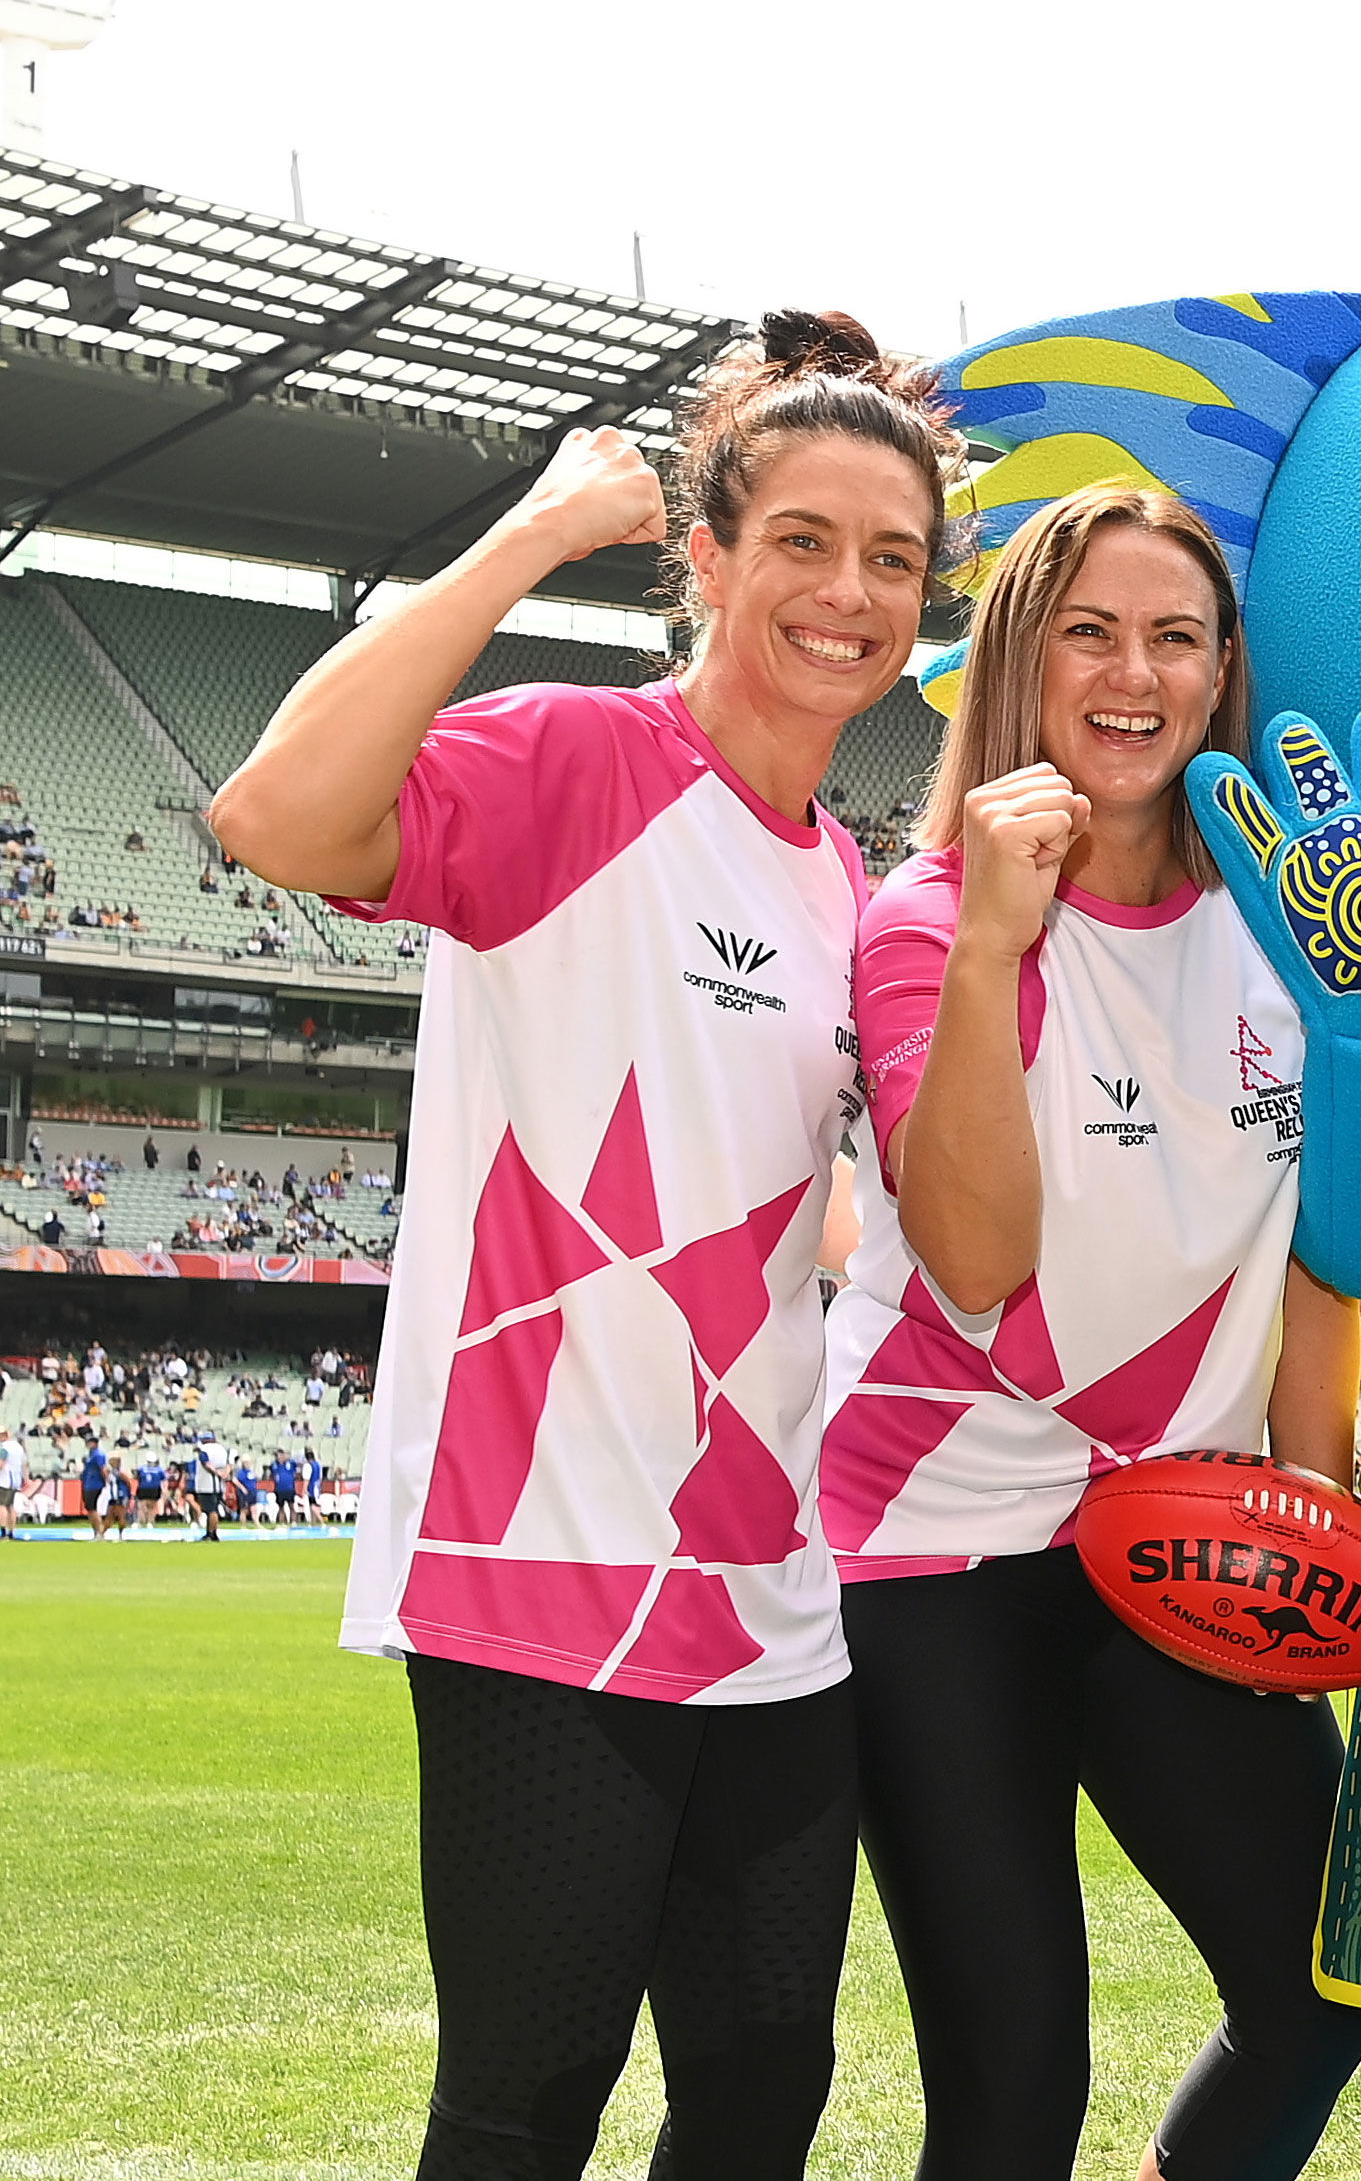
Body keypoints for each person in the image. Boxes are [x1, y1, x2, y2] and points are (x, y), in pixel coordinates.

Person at [209, 308, 955, 2180]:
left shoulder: (839, 874)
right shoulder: (568, 760)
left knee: (766, 2080)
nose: (847, 594)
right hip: (540, 1553)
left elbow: (800, 1199)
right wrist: (534, 532)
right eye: (800, 541)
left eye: (890, 558)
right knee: (528, 2099)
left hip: (764, 1576)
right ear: (703, 560)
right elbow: (276, 813)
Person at [815, 480, 1361, 2177]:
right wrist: (995, 942)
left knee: (1322, 1987)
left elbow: (1309, 1267)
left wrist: (1312, 1504)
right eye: (1088, 630)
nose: (1131, 671)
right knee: (1010, 2092)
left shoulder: (1287, 931)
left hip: (1181, 1541)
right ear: (1020, 659)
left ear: (1222, 675)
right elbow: (973, 1260)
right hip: (936, 1553)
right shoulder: (925, 921)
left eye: (1175, 636)